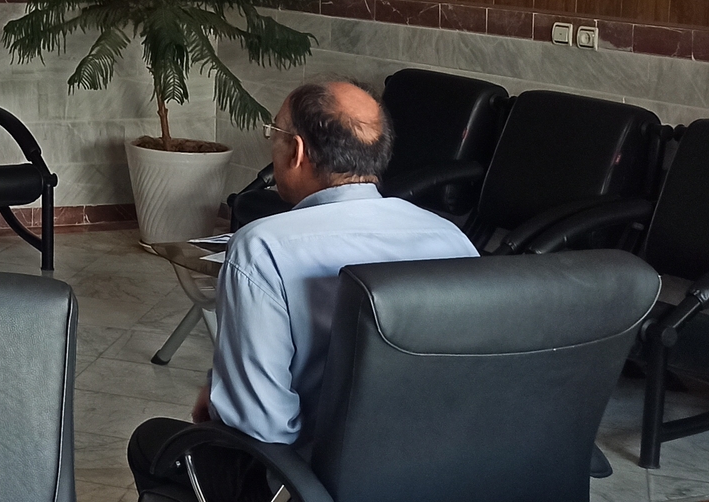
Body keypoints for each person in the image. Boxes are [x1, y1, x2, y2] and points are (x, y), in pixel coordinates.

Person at [126, 80, 478, 500]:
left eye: (273, 133)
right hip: (439, 474)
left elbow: (260, 424)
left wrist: (222, 394)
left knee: (150, 442)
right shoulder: (451, 239)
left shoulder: (263, 248)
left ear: (295, 151)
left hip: (305, 484)